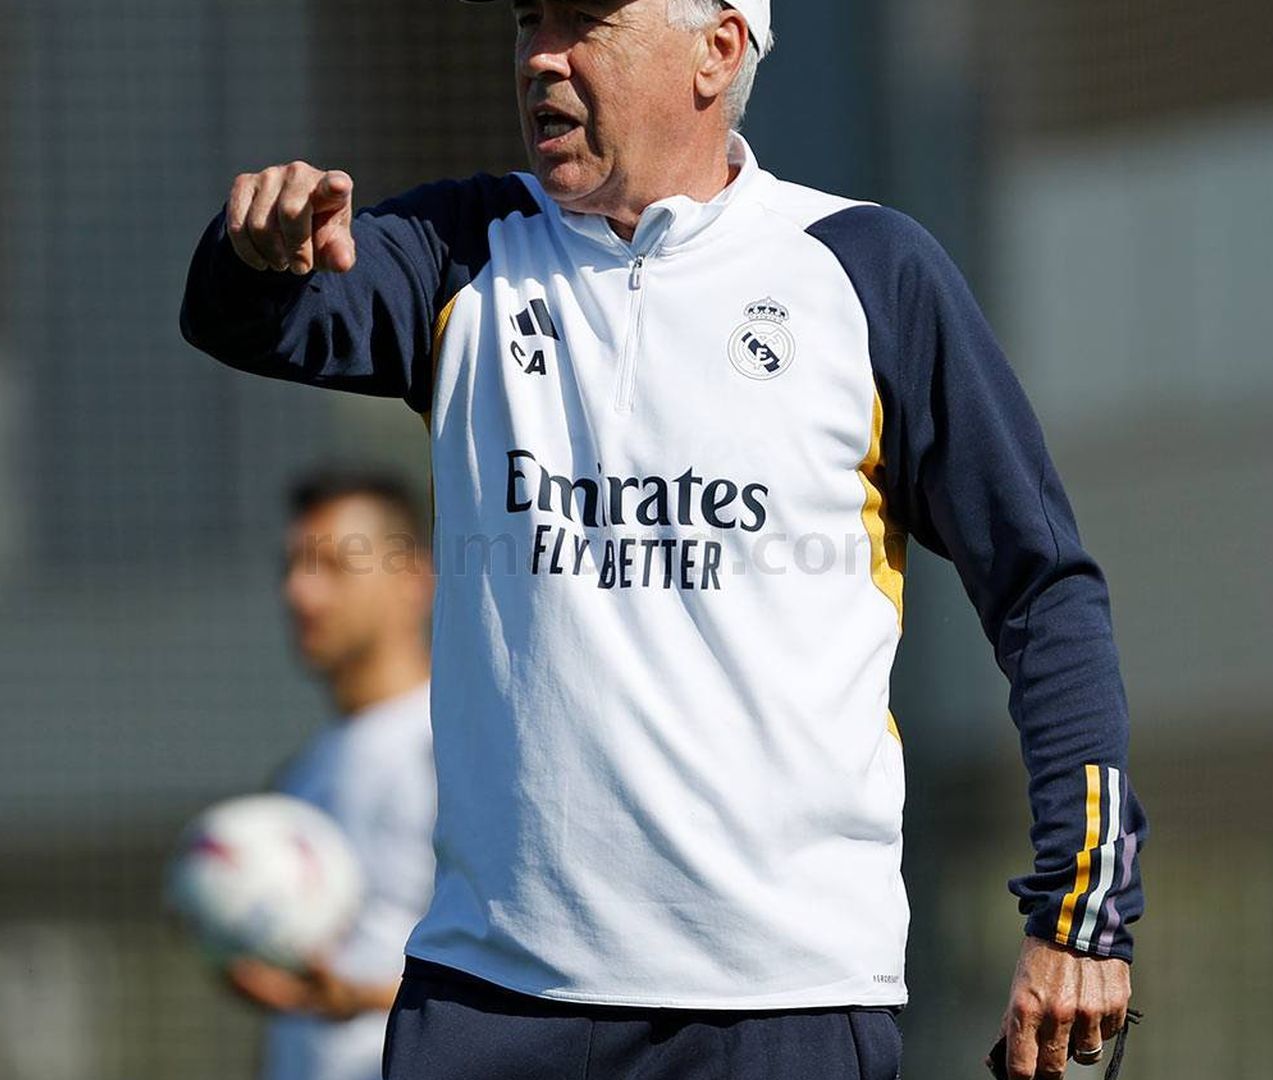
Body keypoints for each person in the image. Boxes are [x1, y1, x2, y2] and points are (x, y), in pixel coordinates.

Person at [180, 3, 1146, 1078]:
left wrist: (1080, 913)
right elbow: (253, 320)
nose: (542, 54)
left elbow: (1044, 591)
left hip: (782, 1006)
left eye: (584, 21)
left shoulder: (866, 269)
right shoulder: (463, 248)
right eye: (529, 20)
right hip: (488, 1005)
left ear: (717, 50)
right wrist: (250, 250)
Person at [228, 473, 436, 1080]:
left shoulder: (456, 747)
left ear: (411, 581)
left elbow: (532, 975)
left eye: (333, 566)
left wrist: (354, 997)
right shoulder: (304, 772)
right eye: (292, 566)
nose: (300, 593)